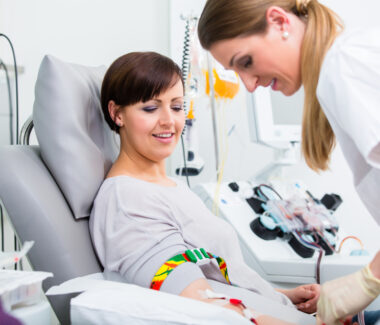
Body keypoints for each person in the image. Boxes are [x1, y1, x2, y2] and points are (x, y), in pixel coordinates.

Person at [90, 51, 320, 324]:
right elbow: (203, 306)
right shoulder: (128, 201)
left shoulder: (165, 186)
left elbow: (212, 278)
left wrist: (280, 295)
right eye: (151, 108)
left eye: (176, 107)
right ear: (117, 113)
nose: (169, 121)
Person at [197, 0, 380, 324]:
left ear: (280, 22)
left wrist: (366, 280)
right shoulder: (338, 68)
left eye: (246, 62)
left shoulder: (344, 65)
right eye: (236, 72)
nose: (250, 84)